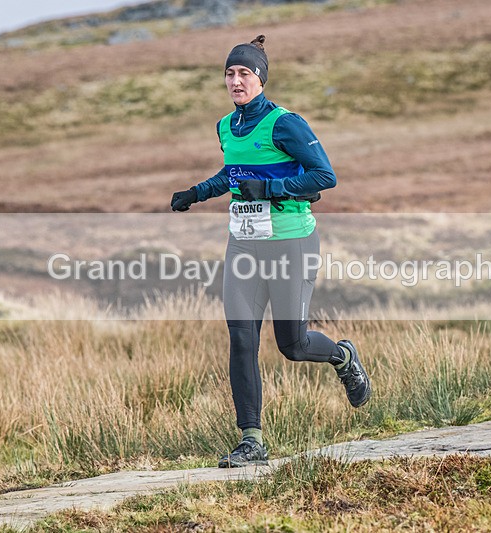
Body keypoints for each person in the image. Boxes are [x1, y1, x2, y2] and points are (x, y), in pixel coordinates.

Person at [170, 35, 370, 468]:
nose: (236, 80)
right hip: (243, 243)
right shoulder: (227, 126)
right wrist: (196, 192)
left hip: (290, 242)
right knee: (241, 339)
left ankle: (343, 356)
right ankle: (251, 440)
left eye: (244, 73)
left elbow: (324, 177)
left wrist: (274, 188)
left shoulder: (285, 124)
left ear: (260, 79)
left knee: (292, 345)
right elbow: (234, 173)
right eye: (229, 73)